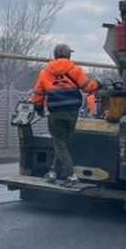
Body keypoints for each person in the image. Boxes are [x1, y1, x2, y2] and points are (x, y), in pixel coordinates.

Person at [31, 43, 100, 186]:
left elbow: (38, 94)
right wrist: (98, 84)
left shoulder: (45, 72)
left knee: (60, 143)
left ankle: (70, 175)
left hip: (55, 113)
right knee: (64, 144)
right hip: (72, 112)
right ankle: (54, 172)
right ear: (68, 55)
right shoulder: (75, 70)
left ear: (55, 55)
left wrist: (39, 109)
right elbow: (88, 87)